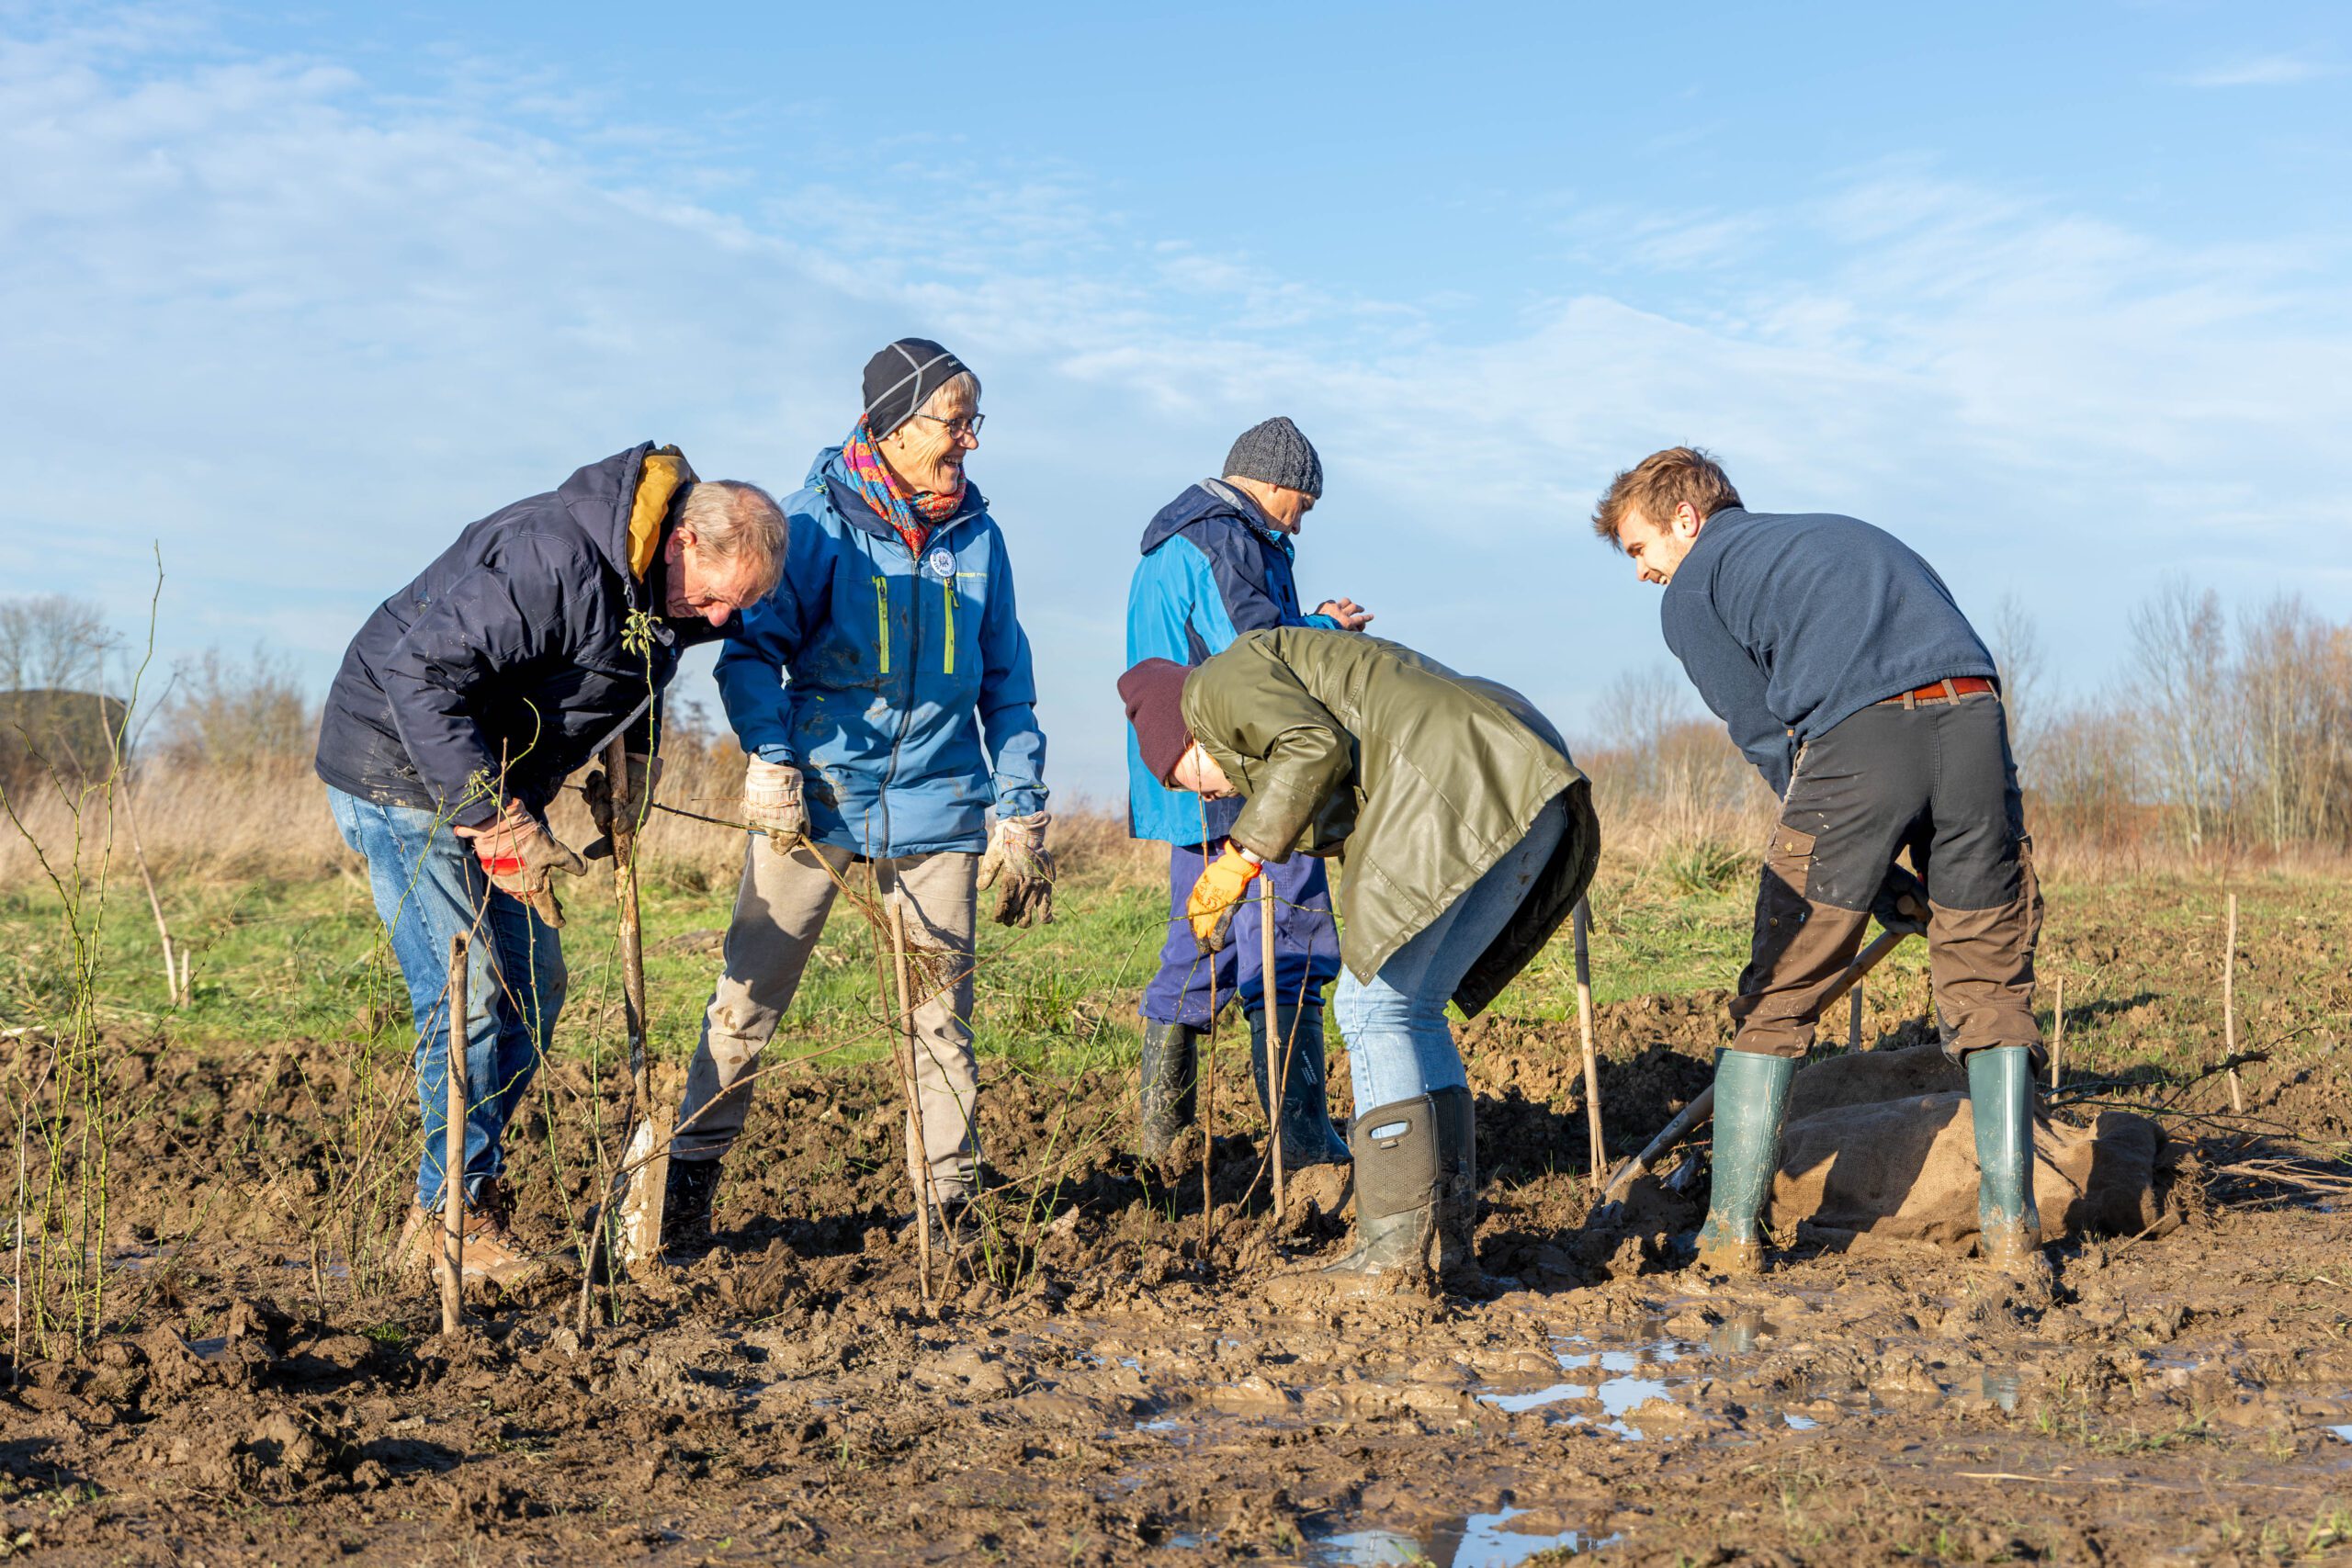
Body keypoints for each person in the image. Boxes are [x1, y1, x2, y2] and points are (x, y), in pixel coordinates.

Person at [315, 446, 786, 1289]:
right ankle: (447, 1220)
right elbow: (418, 675)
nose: (721, 621)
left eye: (739, 606)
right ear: (682, 542)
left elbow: (633, 674)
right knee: (468, 994)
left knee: (533, 982)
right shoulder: (557, 555)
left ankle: (463, 1198)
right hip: (398, 767)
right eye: (718, 596)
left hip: (486, 774)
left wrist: (632, 757)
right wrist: (494, 819)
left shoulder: (665, 592)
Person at [1589, 446, 2046, 1277]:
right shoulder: (1841, 536)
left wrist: (1840, 865)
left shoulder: (1695, 587)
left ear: (1685, 521)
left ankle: (1729, 1235)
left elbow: (1767, 736)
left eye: (1640, 548)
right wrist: (1884, 882)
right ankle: (2012, 1229)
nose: (1644, 573)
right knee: (1987, 972)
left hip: (1860, 734)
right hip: (1975, 714)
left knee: (1781, 985)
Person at [662, 339, 1051, 1251]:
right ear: (892, 423)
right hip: (815, 807)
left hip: (940, 807)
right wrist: (770, 756)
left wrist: (1021, 805)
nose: (968, 442)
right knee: (746, 1003)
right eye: (954, 422)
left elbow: (1008, 682)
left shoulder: (978, 537)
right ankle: (683, 1189)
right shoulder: (814, 527)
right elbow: (752, 655)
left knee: (939, 1019)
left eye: (972, 421)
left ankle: (951, 1211)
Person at [1119, 630, 1600, 1297]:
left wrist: (1240, 855)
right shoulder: (1275, 685)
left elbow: (1312, 747)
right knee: (1411, 1009)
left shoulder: (1216, 686)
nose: (1204, 795)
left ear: (1185, 744)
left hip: (1467, 781)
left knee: (1369, 1004)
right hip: (1521, 775)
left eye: (1183, 781)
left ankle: (1392, 1251)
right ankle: (1443, 1241)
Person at [1123, 417, 1373, 1175]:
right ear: (1271, 486)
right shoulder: (1226, 539)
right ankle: (1302, 1144)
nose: (1300, 519)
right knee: (1295, 943)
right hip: (1247, 775)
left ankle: (1164, 1149)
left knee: (1196, 948)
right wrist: (1324, 634)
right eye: (1302, 503)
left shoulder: (1180, 540)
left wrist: (1309, 624)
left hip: (1186, 774)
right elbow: (1258, 658)